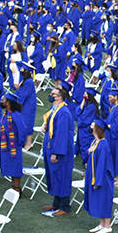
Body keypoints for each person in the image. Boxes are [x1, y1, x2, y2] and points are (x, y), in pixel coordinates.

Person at [41, 83, 74, 216]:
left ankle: (64, 206)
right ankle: (56, 203)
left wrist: (56, 153)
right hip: (51, 146)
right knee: (54, 176)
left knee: (62, 176)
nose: (51, 95)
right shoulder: (54, 108)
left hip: (60, 151)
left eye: (53, 94)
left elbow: (62, 134)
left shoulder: (64, 112)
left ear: (60, 97)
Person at [84, 118, 114, 233]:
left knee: (104, 201)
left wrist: (97, 181)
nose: (91, 126)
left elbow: (102, 165)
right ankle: (101, 224)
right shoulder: (95, 142)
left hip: (102, 179)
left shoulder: (103, 145)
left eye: (93, 125)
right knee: (99, 201)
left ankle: (107, 225)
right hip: (94, 176)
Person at [0, 90, 26, 193]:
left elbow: (21, 130)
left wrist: (19, 143)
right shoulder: (6, 114)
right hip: (6, 145)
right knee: (10, 165)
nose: (2, 101)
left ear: (8, 102)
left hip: (14, 145)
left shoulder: (15, 115)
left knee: (15, 167)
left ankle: (17, 188)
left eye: (3, 100)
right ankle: (13, 186)